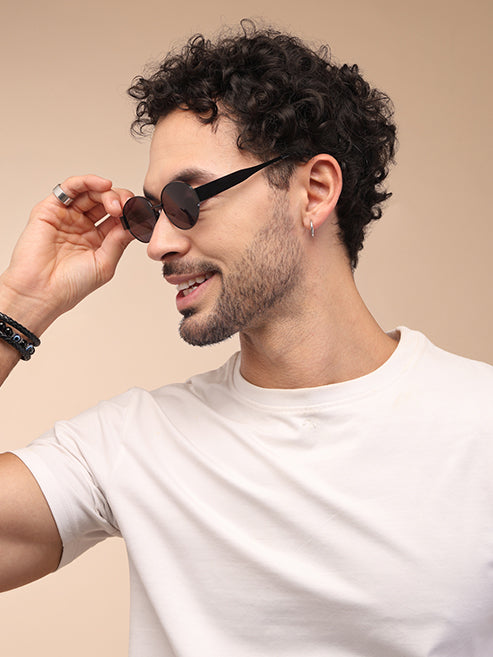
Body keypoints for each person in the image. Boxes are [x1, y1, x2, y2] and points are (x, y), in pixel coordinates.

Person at [0, 20, 492, 657]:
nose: (158, 244)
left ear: (314, 191)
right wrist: (19, 306)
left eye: (186, 200)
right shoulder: (135, 445)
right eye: (149, 214)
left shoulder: (479, 426)